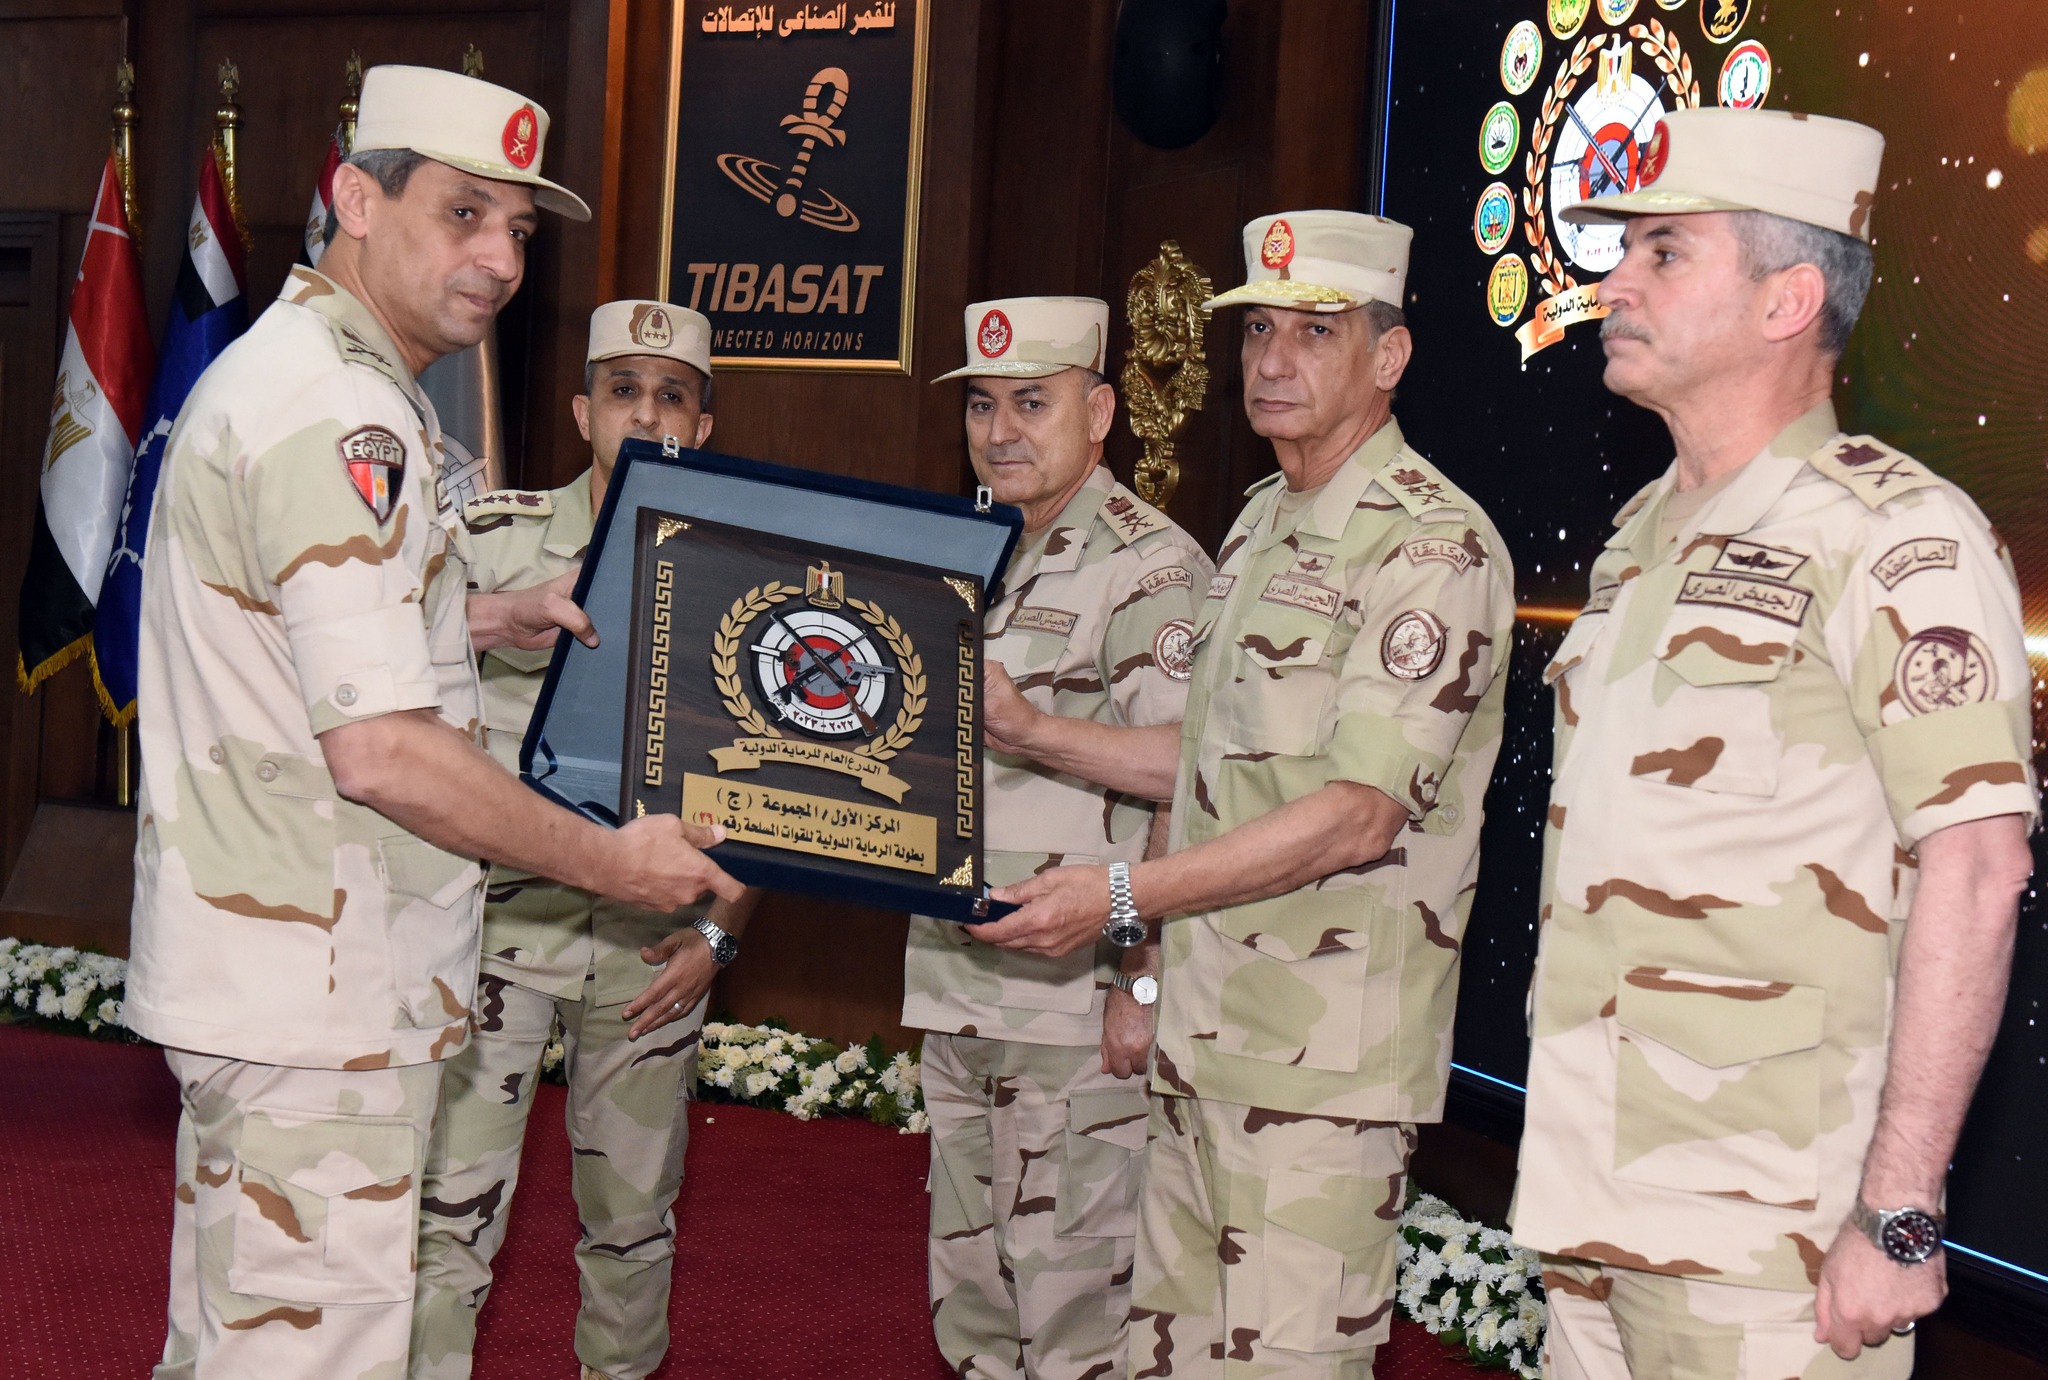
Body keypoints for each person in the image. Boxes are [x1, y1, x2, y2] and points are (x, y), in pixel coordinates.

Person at [124, 67, 740, 1380]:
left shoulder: (316, 375)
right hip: (320, 993)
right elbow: (383, 750)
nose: (501, 259)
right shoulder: (338, 410)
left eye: (518, 228)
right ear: (354, 195)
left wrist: (490, 619)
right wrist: (615, 865)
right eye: (463, 214)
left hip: (292, 978)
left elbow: (299, 640)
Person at [1507, 108, 2039, 1378]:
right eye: (1621, 250)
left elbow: (1975, 871)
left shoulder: (1896, 539)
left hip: (1770, 1238)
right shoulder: (1641, 529)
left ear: (1785, 298)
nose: (1613, 283)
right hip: (1594, 1200)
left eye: (1663, 253)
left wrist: (1894, 1213)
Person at [976, 214, 1516, 1376]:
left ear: (1388, 357)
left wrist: (1118, 893)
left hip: (1319, 1071)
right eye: (1259, 330)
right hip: (1203, 1043)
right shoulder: (1261, 521)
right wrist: (1028, 734)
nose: (1270, 360)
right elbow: (1203, 765)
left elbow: (1356, 811)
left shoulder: (1430, 547)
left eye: (1314, 333)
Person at [410, 301, 756, 1380]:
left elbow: (776, 781)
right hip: (499, 937)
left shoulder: (746, 572)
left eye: (672, 395)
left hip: (654, 950)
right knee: (449, 1220)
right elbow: (397, 702)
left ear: (701, 425)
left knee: (630, 1222)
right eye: (621, 390)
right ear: (581, 410)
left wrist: (723, 935)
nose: (645, 414)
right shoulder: (493, 541)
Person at [911, 296, 1212, 1380]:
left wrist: (1140, 979)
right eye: (982, 404)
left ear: (1098, 412)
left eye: (1030, 403)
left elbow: (1189, 769)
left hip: (1074, 1008)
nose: (1000, 431)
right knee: (977, 1303)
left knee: (1075, 1319)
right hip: (961, 984)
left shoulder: (1146, 567)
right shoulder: (965, 550)